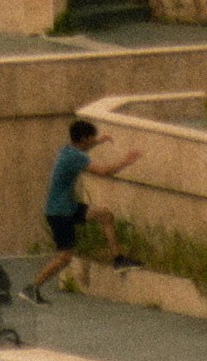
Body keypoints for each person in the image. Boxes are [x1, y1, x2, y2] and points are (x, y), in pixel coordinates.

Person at [32, 114, 135, 292]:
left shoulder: (67, 150)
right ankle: (32, 288)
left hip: (67, 207)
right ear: (84, 139)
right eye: (91, 138)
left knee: (105, 215)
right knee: (65, 257)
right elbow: (103, 172)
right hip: (60, 213)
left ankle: (119, 260)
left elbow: (84, 150)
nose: (93, 141)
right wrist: (125, 162)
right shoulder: (75, 158)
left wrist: (99, 141)